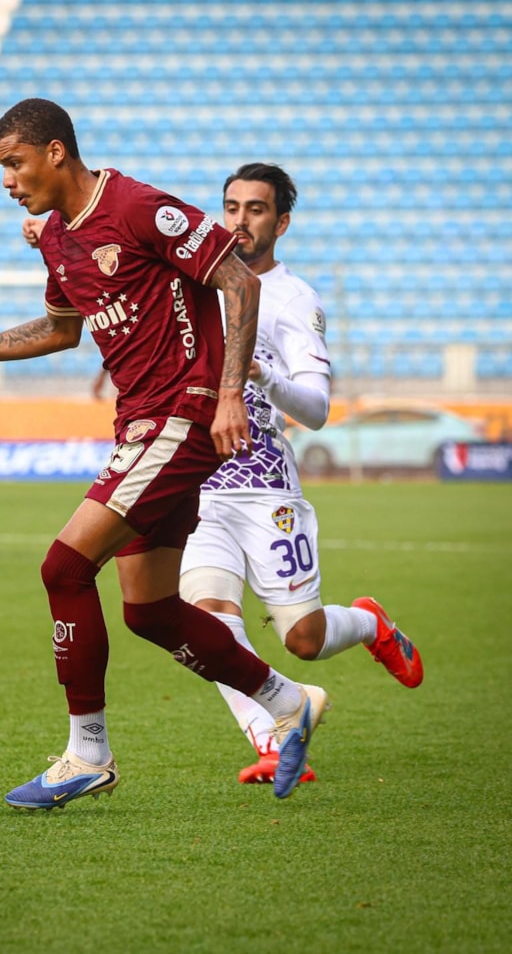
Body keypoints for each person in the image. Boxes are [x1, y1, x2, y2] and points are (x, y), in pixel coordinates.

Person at [0, 98, 329, 808]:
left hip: (182, 413)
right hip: (139, 424)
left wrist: (228, 394)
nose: (7, 181)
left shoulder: (137, 208)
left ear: (56, 152)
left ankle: (87, 753)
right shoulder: (58, 239)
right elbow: (60, 330)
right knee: (149, 610)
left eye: (14, 163)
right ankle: (288, 701)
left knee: (64, 567)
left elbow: (240, 281)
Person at [176, 163, 423, 785]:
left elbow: (315, 410)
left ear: (281, 223)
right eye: (232, 207)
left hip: (265, 487)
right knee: (206, 618)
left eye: (256, 209)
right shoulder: (199, 279)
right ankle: (274, 737)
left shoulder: (293, 298)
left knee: (303, 640)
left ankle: (369, 622)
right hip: (199, 483)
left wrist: (262, 374)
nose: (240, 220)